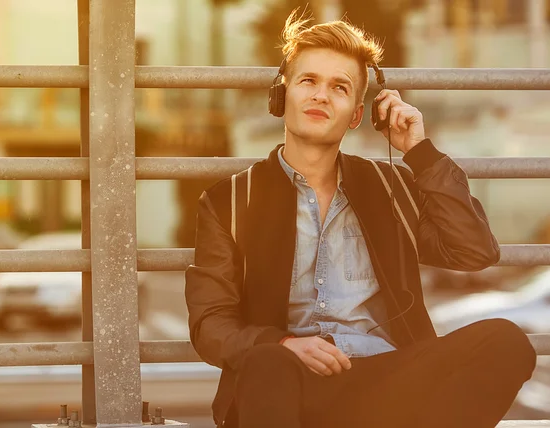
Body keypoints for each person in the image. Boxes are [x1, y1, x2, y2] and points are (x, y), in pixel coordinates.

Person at [185, 9, 536, 428]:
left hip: (388, 380)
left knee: (506, 342)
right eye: (308, 81)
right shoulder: (228, 200)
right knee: (265, 365)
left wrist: (419, 153)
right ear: (282, 96)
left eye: (339, 87)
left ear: (356, 114)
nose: (320, 95)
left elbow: (474, 251)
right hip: (289, 381)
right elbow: (210, 323)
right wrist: (281, 342)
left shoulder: (390, 186)